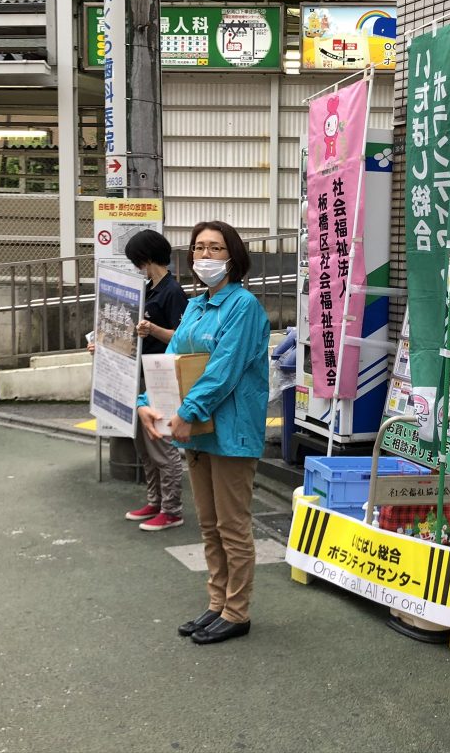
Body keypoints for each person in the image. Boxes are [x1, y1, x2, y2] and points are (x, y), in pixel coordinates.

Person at [137, 220, 269, 645]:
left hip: (229, 431)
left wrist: (188, 411)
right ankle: (216, 604)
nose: (205, 256)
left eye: (215, 248)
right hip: (196, 430)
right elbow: (169, 364)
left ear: (233, 256)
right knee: (209, 525)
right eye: (199, 249)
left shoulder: (244, 306)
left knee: (232, 525)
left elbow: (222, 370)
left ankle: (237, 610)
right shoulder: (195, 307)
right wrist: (146, 404)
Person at [121, 229, 189, 531]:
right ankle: (155, 500)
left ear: (147, 258)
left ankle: (172, 509)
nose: (137, 267)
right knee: (143, 442)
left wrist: (152, 330)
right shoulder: (150, 288)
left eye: (138, 261)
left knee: (161, 442)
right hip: (142, 370)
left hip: (161, 374)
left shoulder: (172, 292)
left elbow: (182, 337)